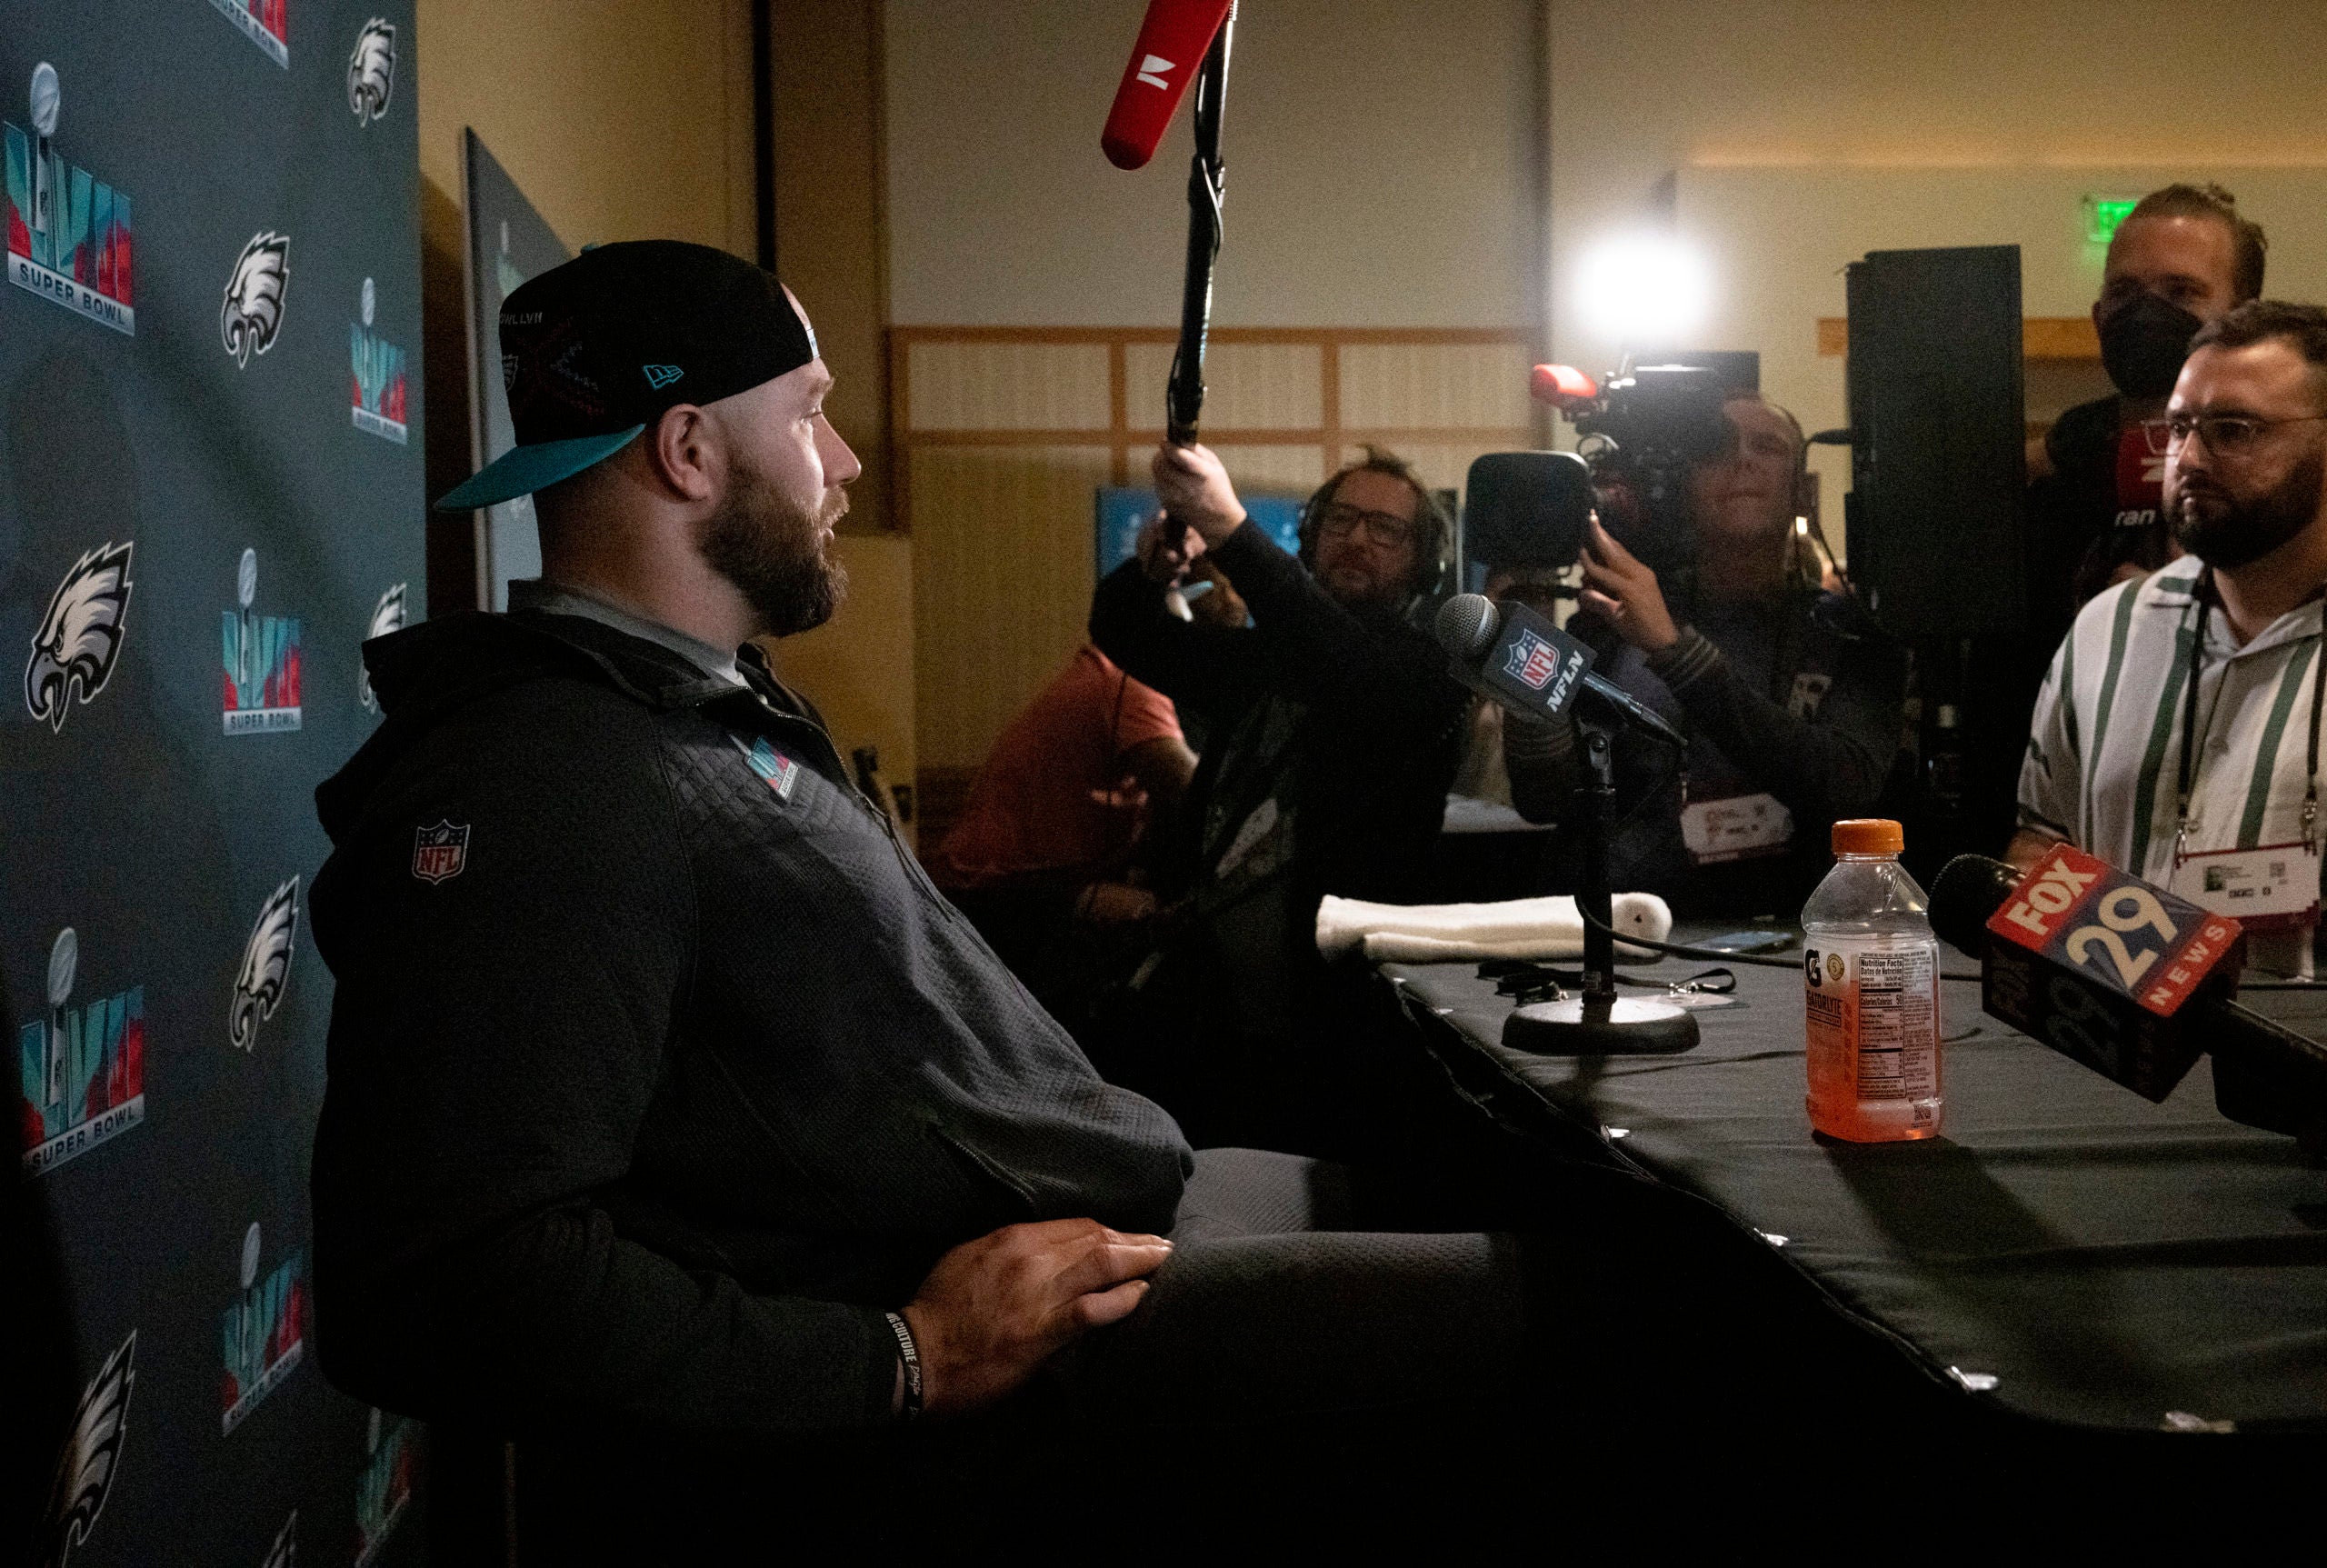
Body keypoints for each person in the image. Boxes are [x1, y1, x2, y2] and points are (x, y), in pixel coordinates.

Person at [306, 242, 1643, 1550]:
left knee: (1586, 1220)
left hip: (1126, 1197)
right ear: (690, 452)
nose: (846, 462)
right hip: (1019, 1353)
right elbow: (441, 1285)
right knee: (1624, 1323)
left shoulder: (706, 713)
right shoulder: (555, 774)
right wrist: (902, 1357)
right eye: (815, 415)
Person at [1086, 444, 1471, 1141]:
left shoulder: (1427, 666)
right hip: (1218, 1019)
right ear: (1314, 531)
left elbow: (1349, 672)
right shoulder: (1272, 655)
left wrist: (1231, 530)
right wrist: (1150, 571)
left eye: (1386, 530)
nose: (1358, 538)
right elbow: (1124, 630)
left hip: (1345, 1028)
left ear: (1424, 563)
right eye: (1343, 519)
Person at [2015, 301, 2327, 978]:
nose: (2188, 458)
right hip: (2125, 1067)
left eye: (2234, 430)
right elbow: (2042, 844)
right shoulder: (2108, 629)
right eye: (2179, 427)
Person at [1505, 394, 1905, 917]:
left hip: (1780, 935)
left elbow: (1848, 788)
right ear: (1683, 489)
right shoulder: (1612, 615)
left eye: (1767, 446)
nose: (1741, 460)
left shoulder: (1852, 633)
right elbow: (1544, 800)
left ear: (1804, 492)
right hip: (1616, 932)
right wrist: (1522, 655)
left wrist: (1674, 651)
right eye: (1714, 449)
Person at [2026, 185, 2267, 645]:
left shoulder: (2286, 470)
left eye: (2181, 291)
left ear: (2242, 318)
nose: (2145, 311)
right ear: (2098, 319)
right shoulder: (2064, 460)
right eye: (2124, 291)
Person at [929, 640, 1194, 1012]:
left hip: (990, 890)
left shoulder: (1104, 670)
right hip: (1001, 898)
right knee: (1164, 926)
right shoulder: (1130, 683)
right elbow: (1194, 791)